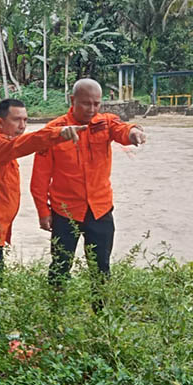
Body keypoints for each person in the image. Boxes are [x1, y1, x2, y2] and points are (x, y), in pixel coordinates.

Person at [0, 99, 86, 354]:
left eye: (26, 120)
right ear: (0, 122)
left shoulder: (6, 150)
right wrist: (57, 134)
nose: (22, 125)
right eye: (17, 120)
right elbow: (27, 144)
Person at [30, 78, 147, 287]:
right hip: (65, 211)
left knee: (101, 267)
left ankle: (101, 314)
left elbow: (123, 130)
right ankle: (56, 313)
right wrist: (43, 212)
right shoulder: (53, 131)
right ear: (72, 100)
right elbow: (39, 178)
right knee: (60, 266)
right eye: (86, 103)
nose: (92, 109)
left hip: (100, 210)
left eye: (96, 103)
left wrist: (134, 133)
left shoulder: (105, 123)